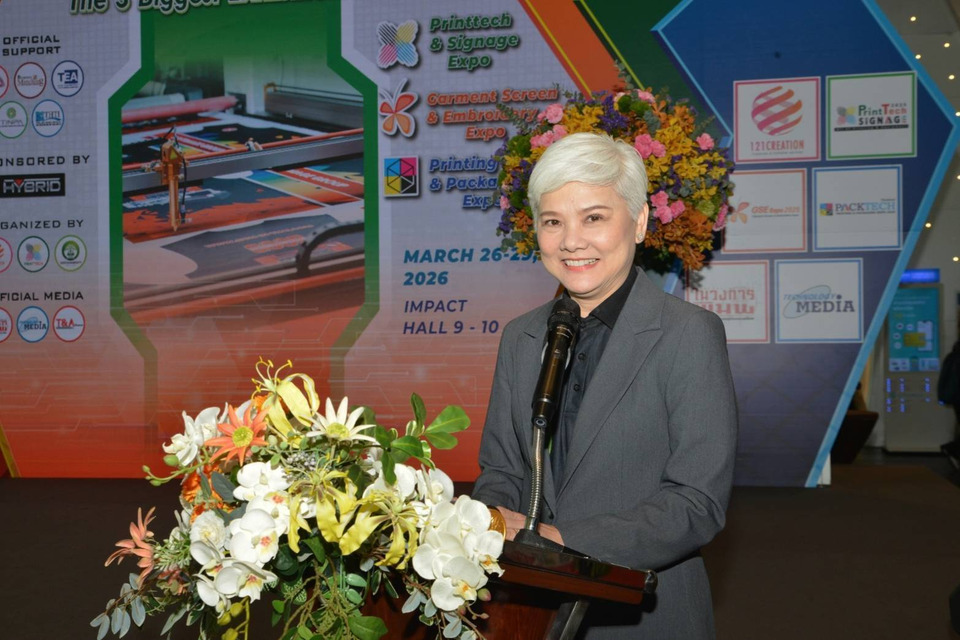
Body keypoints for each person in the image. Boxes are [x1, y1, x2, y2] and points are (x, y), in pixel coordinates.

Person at [473, 132, 738, 639]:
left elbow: (696, 503)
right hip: (527, 613)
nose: (571, 241)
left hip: (644, 616)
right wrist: (490, 524)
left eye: (593, 218)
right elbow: (502, 470)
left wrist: (558, 539)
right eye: (553, 221)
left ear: (638, 222)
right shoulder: (521, 337)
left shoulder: (688, 334)